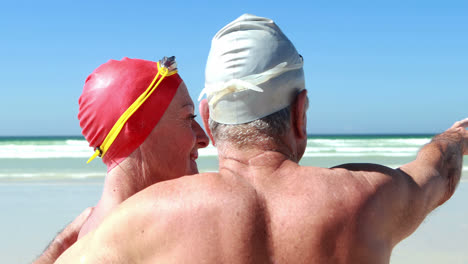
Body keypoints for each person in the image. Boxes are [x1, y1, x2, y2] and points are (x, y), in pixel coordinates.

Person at [55, 14, 467, 263]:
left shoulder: (138, 223)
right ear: (300, 111)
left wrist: (61, 242)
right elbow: (439, 171)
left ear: (208, 117)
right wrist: (455, 136)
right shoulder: (368, 198)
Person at [33, 56, 209, 263]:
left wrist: (60, 246)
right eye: (189, 118)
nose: (204, 138)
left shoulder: (81, 239)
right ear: (135, 128)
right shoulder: (181, 234)